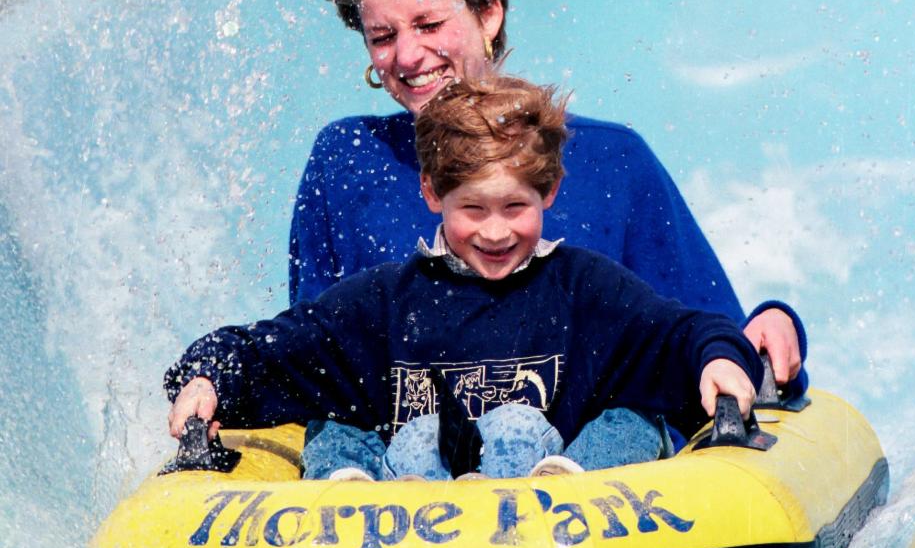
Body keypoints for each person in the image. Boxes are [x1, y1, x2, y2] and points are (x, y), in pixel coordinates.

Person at [288, 0, 807, 401]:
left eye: (429, 24)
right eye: (382, 37)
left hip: (589, 473)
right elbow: (310, 351)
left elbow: (706, 335)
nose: (406, 56)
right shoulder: (347, 159)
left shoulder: (611, 161)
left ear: (488, 14)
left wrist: (772, 324)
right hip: (397, 472)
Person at [167, 74, 765, 481]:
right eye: (473, 210)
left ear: (550, 193)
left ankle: (570, 484)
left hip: (558, 514)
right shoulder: (386, 302)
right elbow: (281, 346)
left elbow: (677, 331)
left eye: (516, 208)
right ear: (432, 195)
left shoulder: (583, 288)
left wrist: (717, 358)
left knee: (633, 420)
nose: (496, 232)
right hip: (413, 506)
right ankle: (348, 496)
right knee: (334, 419)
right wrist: (208, 375)